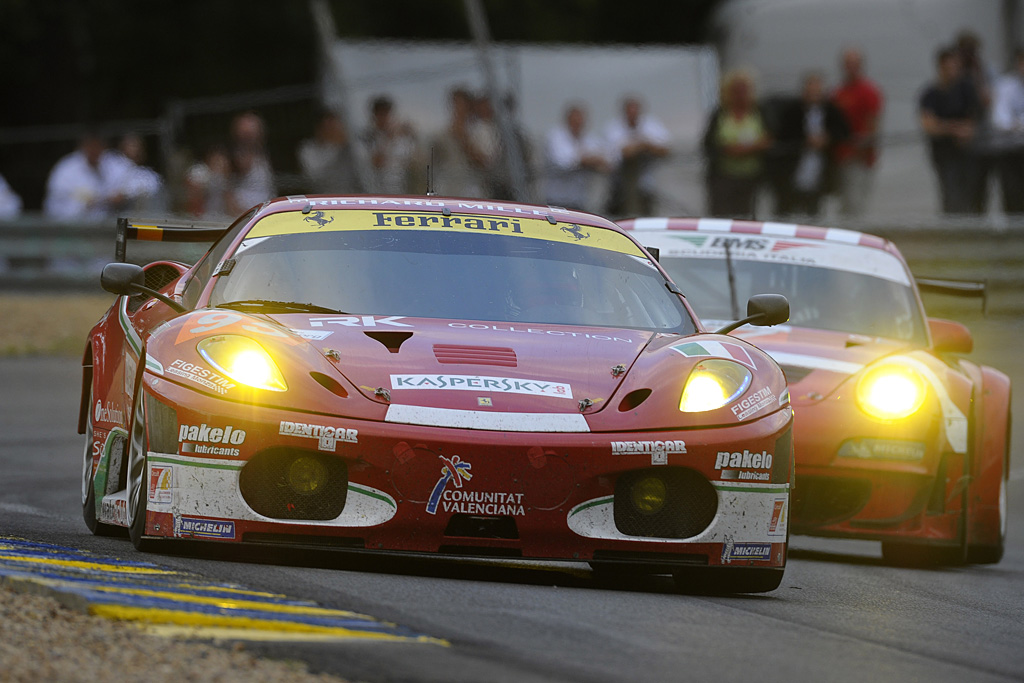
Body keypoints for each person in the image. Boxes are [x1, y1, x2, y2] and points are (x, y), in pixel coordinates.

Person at [773, 72, 849, 217]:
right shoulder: (792, 111)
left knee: (816, 211)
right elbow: (783, 135)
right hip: (794, 169)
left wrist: (827, 138)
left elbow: (844, 131)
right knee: (789, 211)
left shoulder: (831, 110)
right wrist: (804, 140)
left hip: (821, 171)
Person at [919, 47, 982, 215]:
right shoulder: (930, 94)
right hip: (944, 154)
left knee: (972, 195)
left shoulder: (966, 89)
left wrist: (946, 126)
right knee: (950, 194)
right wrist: (954, 128)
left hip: (968, 153)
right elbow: (929, 125)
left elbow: (971, 124)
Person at [702, 69, 771, 219]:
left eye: (744, 90)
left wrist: (745, 149)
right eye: (736, 91)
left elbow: (769, 140)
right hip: (723, 177)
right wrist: (731, 150)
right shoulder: (720, 114)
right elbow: (709, 144)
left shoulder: (760, 113)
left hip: (752, 176)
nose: (741, 95)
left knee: (747, 215)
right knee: (722, 216)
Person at [832, 48, 884, 218]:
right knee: (845, 204)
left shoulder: (869, 91)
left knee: (856, 206)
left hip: (859, 159)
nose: (851, 67)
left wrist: (859, 151)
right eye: (848, 63)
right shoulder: (838, 92)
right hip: (841, 158)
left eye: (854, 63)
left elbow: (874, 125)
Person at [604, 96, 670, 216]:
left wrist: (644, 146)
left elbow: (665, 149)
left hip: (647, 185)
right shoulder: (614, 127)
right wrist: (643, 145)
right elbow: (622, 154)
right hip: (622, 188)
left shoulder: (651, 124)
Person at [43, 132, 124, 220]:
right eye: (92, 147)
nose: (95, 151)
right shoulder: (65, 169)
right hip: (68, 224)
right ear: (84, 147)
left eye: (99, 147)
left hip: (100, 225)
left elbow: (128, 181)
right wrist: (91, 202)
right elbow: (56, 203)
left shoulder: (109, 163)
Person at [543, 103, 608, 211]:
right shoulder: (555, 137)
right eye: (575, 120)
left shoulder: (590, 138)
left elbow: (606, 159)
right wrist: (586, 160)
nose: (579, 124)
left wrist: (590, 160)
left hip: (580, 200)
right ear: (567, 120)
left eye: (581, 120)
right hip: (556, 199)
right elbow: (562, 162)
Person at [431, 87, 487, 197]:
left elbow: (483, 162)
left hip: (469, 187)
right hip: (446, 187)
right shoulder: (441, 135)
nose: (458, 109)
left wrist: (463, 140)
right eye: (455, 105)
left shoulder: (478, 132)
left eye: (461, 105)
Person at [360, 95, 418, 194]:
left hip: (403, 190)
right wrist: (388, 140)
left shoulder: (402, 138)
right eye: (380, 114)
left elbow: (414, 163)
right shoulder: (368, 138)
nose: (384, 118)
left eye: (386, 113)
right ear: (374, 116)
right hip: (377, 192)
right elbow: (376, 163)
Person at [991, 48, 1024, 214]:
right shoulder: (1006, 86)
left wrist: (1016, 125)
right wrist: (1015, 125)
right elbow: (1000, 119)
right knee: (1013, 198)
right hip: (1010, 152)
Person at [298, 109, 363, 195]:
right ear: (319, 128)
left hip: (353, 197)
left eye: (335, 126)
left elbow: (365, 168)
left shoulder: (349, 146)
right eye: (329, 127)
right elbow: (314, 176)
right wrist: (335, 149)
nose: (333, 131)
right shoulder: (308, 149)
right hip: (325, 198)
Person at [229, 111, 275, 212]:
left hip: (263, 212)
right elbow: (227, 190)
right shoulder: (237, 157)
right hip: (245, 213)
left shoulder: (262, 156)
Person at [107, 133, 164, 214]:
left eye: (139, 146)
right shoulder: (111, 165)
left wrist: (123, 194)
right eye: (132, 146)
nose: (137, 150)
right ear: (122, 147)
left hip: (134, 216)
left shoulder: (148, 175)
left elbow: (150, 188)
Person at [183, 145, 232, 219]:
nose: (219, 164)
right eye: (216, 160)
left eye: (222, 161)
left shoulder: (227, 179)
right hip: (199, 219)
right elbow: (192, 198)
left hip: (221, 219)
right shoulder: (199, 172)